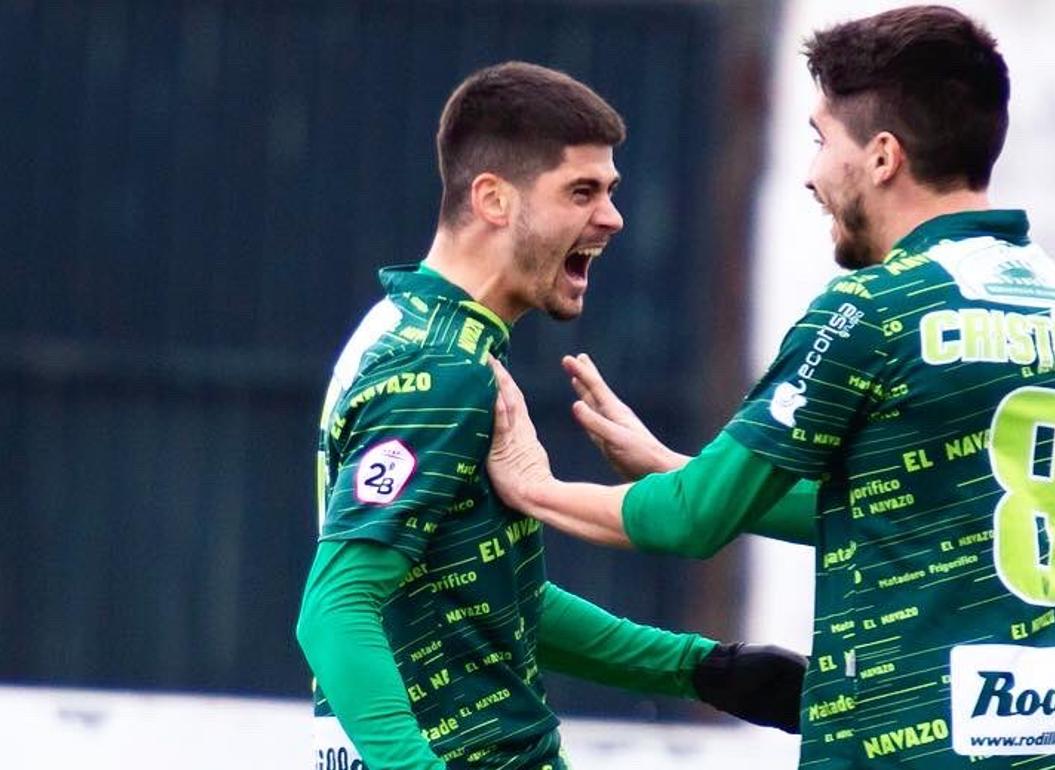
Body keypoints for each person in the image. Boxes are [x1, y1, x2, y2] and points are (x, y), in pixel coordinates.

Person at [487, 7, 1055, 769]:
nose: (812, 173)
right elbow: (906, 511)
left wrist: (535, 487)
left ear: (882, 157)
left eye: (822, 141)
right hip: (1051, 738)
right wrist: (677, 467)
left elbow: (692, 525)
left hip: (908, 748)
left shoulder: (871, 308)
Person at [295, 61, 806, 770]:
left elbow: (490, 599)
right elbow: (334, 611)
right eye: (582, 191)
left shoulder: (400, 326)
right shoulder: (443, 370)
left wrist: (700, 669)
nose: (613, 216)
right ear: (494, 200)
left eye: (612, 191)